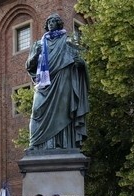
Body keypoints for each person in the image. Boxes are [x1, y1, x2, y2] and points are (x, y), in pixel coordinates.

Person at [26, 13, 88, 150]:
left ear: (59, 24)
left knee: (63, 113)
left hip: (63, 81)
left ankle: (64, 144)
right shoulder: (39, 44)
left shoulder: (68, 42)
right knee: (37, 110)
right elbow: (29, 66)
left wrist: (82, 65)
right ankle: (35, 144)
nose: (51, 24)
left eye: (54, 21)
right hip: (44, 84)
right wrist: (35, 55)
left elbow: (79, 61)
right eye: (49, 22)